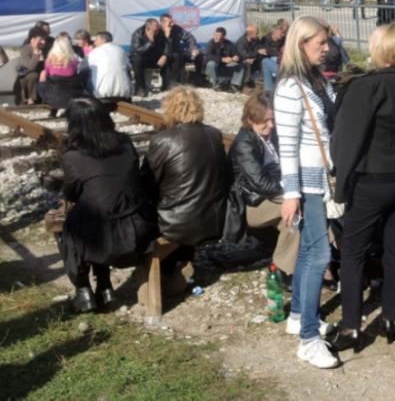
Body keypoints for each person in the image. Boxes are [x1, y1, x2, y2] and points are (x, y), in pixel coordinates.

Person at [330, 23, 395, 353]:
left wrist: (340, 188)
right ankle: (391, 317)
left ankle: (350, 327)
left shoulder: (365, 87)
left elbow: (348, 140)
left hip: (373, 181)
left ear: (379, 49)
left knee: (353, 251)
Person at [273, 15, 339, 369]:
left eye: (327, 42)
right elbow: (287, 145)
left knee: (310, 251)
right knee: (319, 255)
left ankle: (298, 316)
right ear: (301, 44)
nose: (327, 48)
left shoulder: (316, 79)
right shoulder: (289, 87)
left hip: (320, 179)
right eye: (320, 43)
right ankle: (309, 340)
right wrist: (291, 193)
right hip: (308, 182)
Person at [59, 97, 157, 312]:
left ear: (74, 124)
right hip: (138, 228)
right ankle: (104, 287)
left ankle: (83, 291)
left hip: (103, 239)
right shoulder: (126, 144)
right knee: (98, 214)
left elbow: (71, 193)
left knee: (69, 228)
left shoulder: (73, 156)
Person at [141, 87, 229, 278]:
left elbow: (147, 183)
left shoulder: (163, 140)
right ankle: (182, 260)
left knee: (150, 200)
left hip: (176, 225)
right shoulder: (214, 134)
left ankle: (171, 267)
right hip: (213, 219)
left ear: (170, 109)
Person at [224, 93, 300, 276]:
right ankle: (287, 270)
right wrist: (293, 192)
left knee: (291, 219)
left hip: (268, 197)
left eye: (273, 119)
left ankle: (284, 269)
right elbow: (262, 184)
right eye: (265, 121)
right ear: (250, 119)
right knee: (295, 209)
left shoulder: (271, 136)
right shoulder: (244, 144)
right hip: (248, 204)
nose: (271, 125)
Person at [79, 31, 134, 100]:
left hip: (100, 93)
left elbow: (81, 68)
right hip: (124, 92)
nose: (94, 43)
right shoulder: (121, 51)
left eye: (96, 40)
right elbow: (129, 67)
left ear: (103, 40)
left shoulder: (95, 52)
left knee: (84, 73)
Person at [38, 34, 86, 110]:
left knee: (42, 74)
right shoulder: (74, 61)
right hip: (71, 95)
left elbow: (47, 74)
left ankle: (44, 99)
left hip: (53, 97)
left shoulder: (48, 62)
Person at [129, 18, 171, 97]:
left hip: (155, 58)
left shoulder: (160, 33)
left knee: (171, 59)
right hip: (142, 58)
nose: (157, 32)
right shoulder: (138, 34)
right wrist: (150, 42)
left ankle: (167, 86)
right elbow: (139, 51)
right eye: (155, 31)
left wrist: (165, 55)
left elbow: (167, 45)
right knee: (137, 60)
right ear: (148, 29)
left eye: (158, 29)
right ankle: (141, 88)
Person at [160, 13, 203, 86]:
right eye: (169, 23)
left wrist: (193, 48)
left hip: (178, 52)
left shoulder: (176, 28)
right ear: (163, 24)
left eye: (172, 22)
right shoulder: (159, 31)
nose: (172, 24)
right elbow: (166, 48)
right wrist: (167, 35)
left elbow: (190, 37)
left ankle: (198, 79)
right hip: (165, 55)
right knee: (176, 57)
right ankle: (177, 83)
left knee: (198, 55)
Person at [204, 27, 244, 92]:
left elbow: (237, 54)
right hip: (213, 68)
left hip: (225, 67)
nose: (215, 37)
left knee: (240, 66)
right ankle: (216, 86)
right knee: (211, 63)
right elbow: (209, 56)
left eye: (218, 35)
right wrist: (222, 59)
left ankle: (234, 85)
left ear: (223, 36)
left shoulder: (229, 44)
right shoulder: (211, 43)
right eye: (214, 35)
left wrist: (236, 57)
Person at [17, 26, 46, 104]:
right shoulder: (25, 49)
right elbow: (30, 67)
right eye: (41, 40)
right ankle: (31, 99)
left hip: (43, 75)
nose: (43, 42)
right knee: (33, 75)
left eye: (44, 39)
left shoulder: (46, 49)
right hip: (26, 76)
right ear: (33, 40)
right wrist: (36, 52)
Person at [261, 19, 289, 92]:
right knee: (271, 59)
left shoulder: (282, 39)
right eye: (281, 33)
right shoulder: (266, 39)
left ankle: (269, 89)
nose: (283, 35)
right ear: (275, 33)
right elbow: (268, 51)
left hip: (279, 59)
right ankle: (283, 75)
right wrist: (280, 54)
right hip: (269, 59)